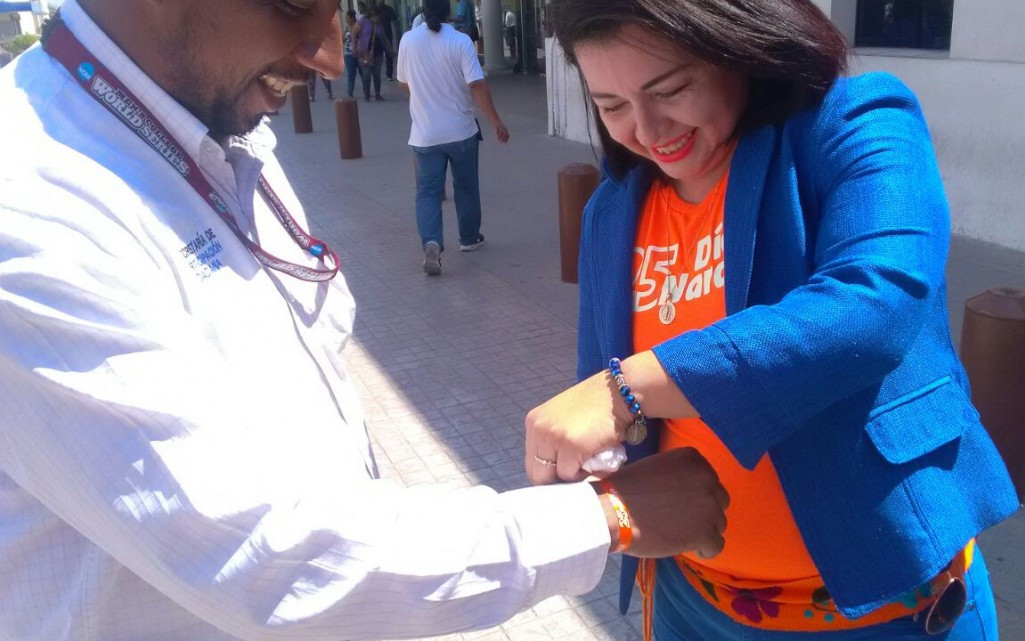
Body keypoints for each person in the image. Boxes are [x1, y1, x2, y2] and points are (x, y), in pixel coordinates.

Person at [0, 1, 732, 640]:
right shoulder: (30, 214)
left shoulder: (224, 133)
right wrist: (607, 517)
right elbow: (266, 560)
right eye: (294, 6)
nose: (328, 57)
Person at [524, 1, 1022, 640]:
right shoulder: (614, 208)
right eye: (612, 105)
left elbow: (875, 304)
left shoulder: (855, 123)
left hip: (889, 610)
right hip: (691, 601)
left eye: (670, 90)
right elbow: (606, 405)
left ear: (740, 48)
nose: (647, 130)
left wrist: (625, 389)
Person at [398, 0, 508, 275]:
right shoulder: (461, 41)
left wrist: (423, 98)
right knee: (466, 187)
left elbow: (403, 83)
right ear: (449, 11)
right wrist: (495, 121)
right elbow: (476, 84)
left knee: (427, 192)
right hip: (461, 131)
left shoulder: (408, 40)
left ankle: (432, 242)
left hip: (424, 135)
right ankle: (469, 238)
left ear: (423, 11)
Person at [352, 5, 378, 100]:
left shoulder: (379, 24)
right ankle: (367, 94)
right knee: (366, 74)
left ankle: (377, 94)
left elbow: (384, 37)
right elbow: (354, 33)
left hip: (377, 52)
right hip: (364, 51)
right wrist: (354, 47)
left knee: (377, 74)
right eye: (376, 15)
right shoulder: (363, 22)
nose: (377, 18)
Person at [375, 0, 398, 81]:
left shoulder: (389, 9)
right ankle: (376, 74)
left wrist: (396, 34)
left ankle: (389, 74)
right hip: (376, 36)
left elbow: (394, 21)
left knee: (389, 55)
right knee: (378, 56)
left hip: (388, 35)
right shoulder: (373, 10)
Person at [343, 9, 360, 98]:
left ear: (352, 18)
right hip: (348, 54)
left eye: (347, 18)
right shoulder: (346, 28)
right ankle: (350, 92)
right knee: (351, 74)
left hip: (359, 53)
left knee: (363, 73)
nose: (346, 20)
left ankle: (367, 91)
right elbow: (342, 40)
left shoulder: (358, 27)